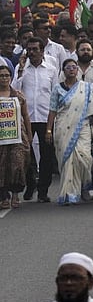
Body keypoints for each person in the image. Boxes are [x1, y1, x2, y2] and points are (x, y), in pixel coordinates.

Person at [46, 58, 93, 205]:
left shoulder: (86, 88)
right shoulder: (57, 89)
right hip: (62, 128)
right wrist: (49, 130)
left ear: (77, 70)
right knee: (67, 161)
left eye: (74, 67)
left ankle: (84, 186)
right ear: (63, 71)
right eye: (68, 67)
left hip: (82, 127)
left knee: (85, 158)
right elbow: (52, 111)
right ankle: (69, 193)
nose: (71, 69)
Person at [13, 37, 57, 203]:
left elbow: (54, 94)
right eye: (29, 49)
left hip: (46, 117)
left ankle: (43, 190)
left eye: (35, 49)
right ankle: (30, 183)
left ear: (42, 51)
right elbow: (15, 91)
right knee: (26, 155)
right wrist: (21, 71)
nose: (31, 52)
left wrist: (54, 119)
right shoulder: (21, 68)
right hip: (26, 118)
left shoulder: (51, 69)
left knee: (46, 155)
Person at [0, 64, 30, 210]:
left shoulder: (18, 95)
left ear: (11, 77)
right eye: (1, 76)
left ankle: (15, 194)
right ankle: (4, 196)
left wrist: (29, 136)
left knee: (17, 164)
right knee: (2, 165)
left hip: (18, 137)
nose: (4, 78)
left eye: (6, 75)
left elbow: (25, 116)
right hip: (1, 138)